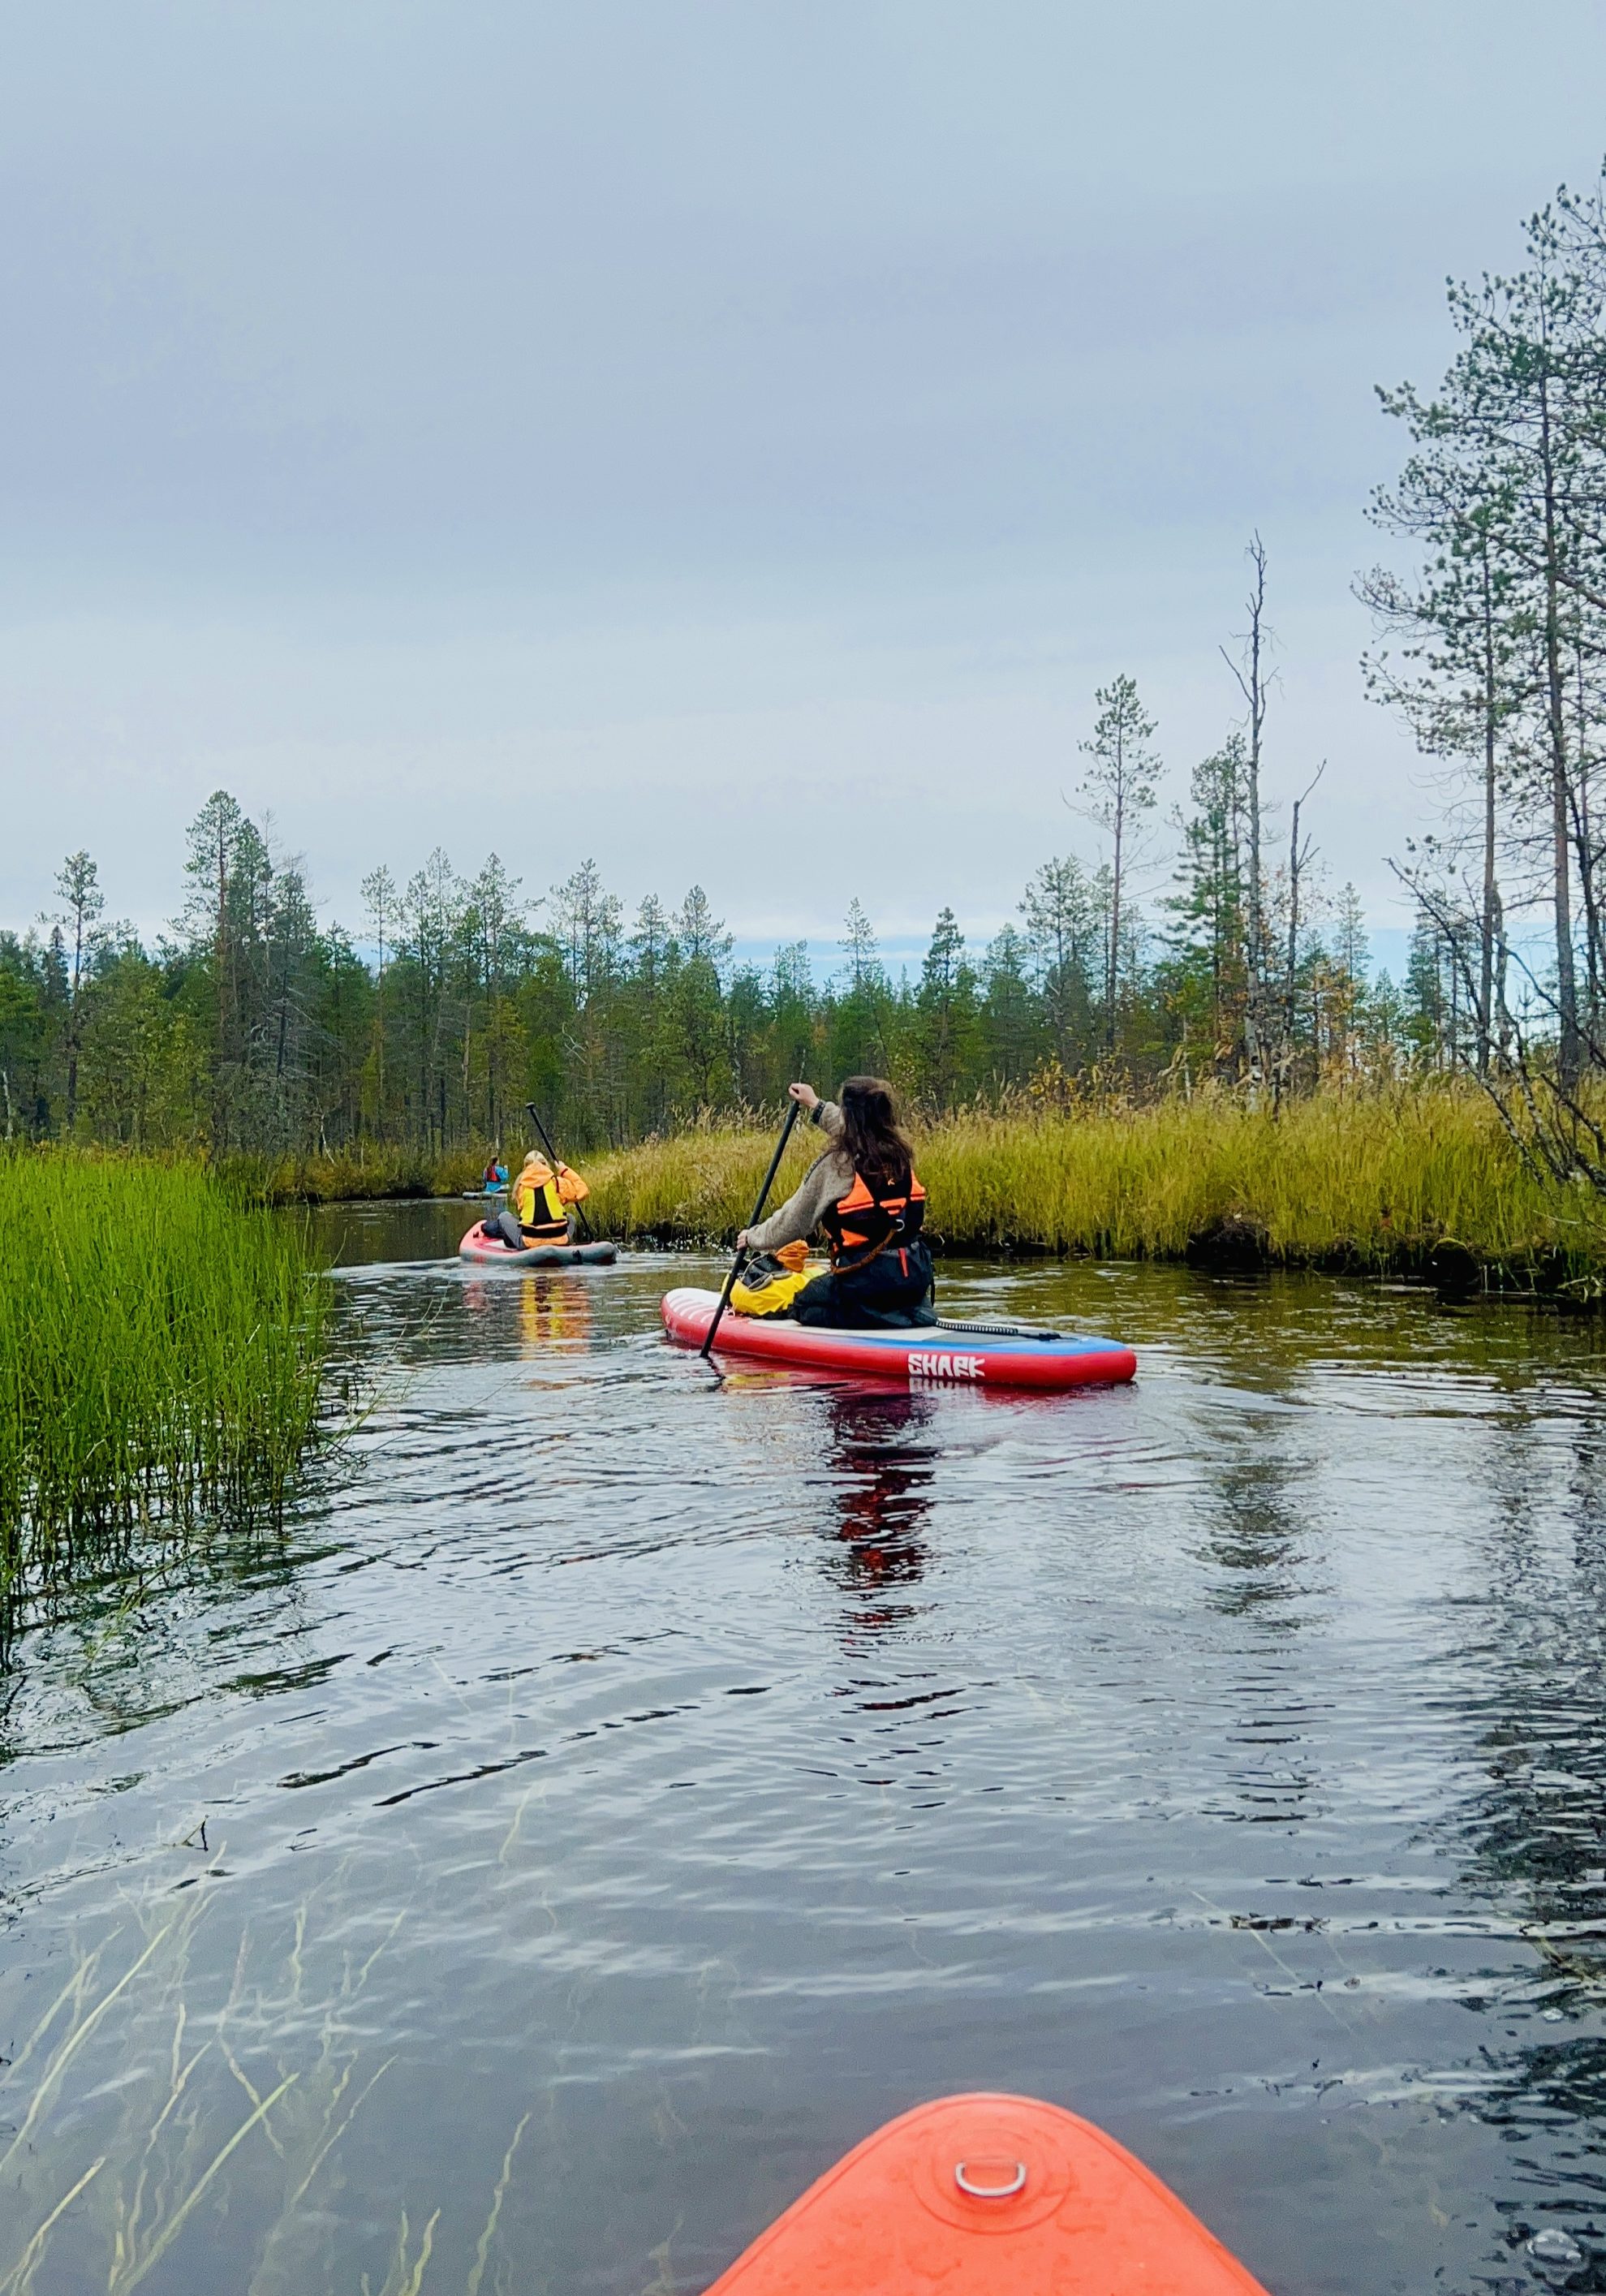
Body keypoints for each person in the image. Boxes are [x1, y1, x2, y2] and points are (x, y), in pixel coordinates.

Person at [737, 1078, 935, 1329]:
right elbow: (859, 1129)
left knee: (804, 1302)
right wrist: (815, 1104)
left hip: (864, 1286)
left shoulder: (837, 1166)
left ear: (849, 1118)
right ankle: (902, 1316)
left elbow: (792, 1223)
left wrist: (752, 1237)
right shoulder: (900, 1155)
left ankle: (870, 1322)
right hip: (912, 1280)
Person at [484, 1148, 589, 1250]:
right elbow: (583, 1190)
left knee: (504, 1216)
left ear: (526, 1167)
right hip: (560, 1239)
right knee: (571, 1218)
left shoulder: (521, 1186)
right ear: (545, 1164)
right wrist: (563, 1170)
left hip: (530, 1242)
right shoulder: (557, 1183)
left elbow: (523, 1211)